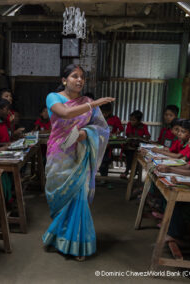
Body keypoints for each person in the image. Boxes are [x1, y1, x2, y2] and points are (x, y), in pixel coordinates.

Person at [42, 64, 115, 261]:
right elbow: (65, 114)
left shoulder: (87, 101)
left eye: (82, 77)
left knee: (78, 199)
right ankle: (59, 238)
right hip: (59, 155)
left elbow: (102, 128)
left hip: (81, 155)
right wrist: (94, 104)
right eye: (74, 76)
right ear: (64, 80)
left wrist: (87, 133)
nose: (79, 80)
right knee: (60, 197)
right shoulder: (53, 97)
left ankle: (76, 245)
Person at [121, 110, 150, 179]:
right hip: (130, 146)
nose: (131, 121)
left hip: (139, 146)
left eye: (134, 120)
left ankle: (132, 171)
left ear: (139, 121)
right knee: (130, 155)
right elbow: (129, 134)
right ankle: (129, 170)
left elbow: (147, 136)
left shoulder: (144, 126)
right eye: (130, 119)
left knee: (138, 155)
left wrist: (142, 138)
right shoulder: (129, 125)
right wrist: (140, 138)